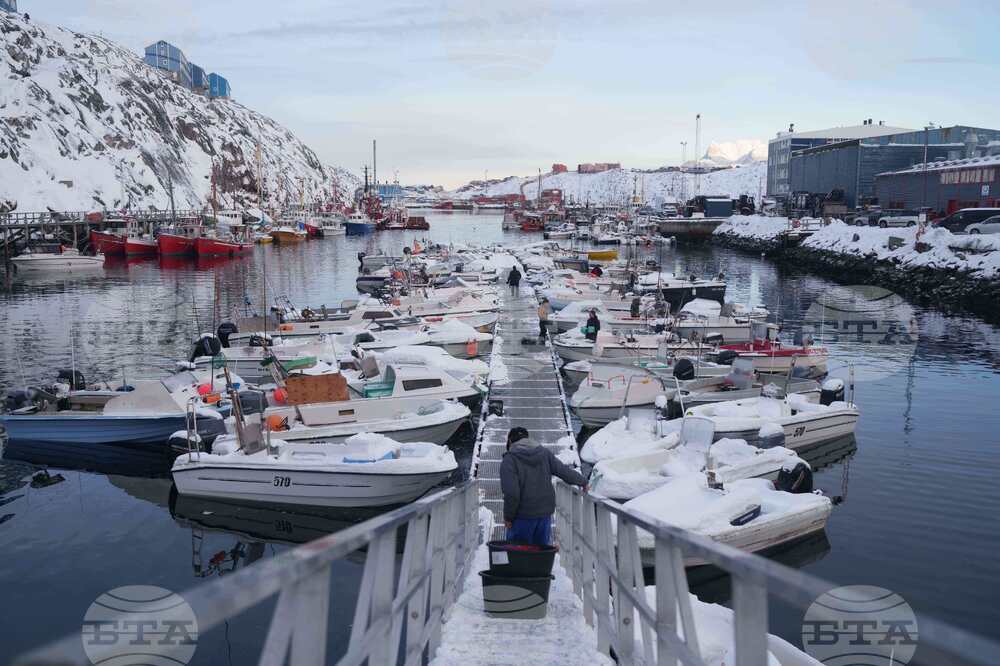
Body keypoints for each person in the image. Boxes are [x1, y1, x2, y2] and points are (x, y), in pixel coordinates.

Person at [500, 427, 587, 545]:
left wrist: (508, 517)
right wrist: (583, 481)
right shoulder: (544, 453)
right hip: (544, 515)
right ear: (528, 438)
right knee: (540, 555)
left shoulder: (509, 460)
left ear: (510, 441)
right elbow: (563, 471)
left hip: (522, 516)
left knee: (517, 556)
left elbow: (512, 493)